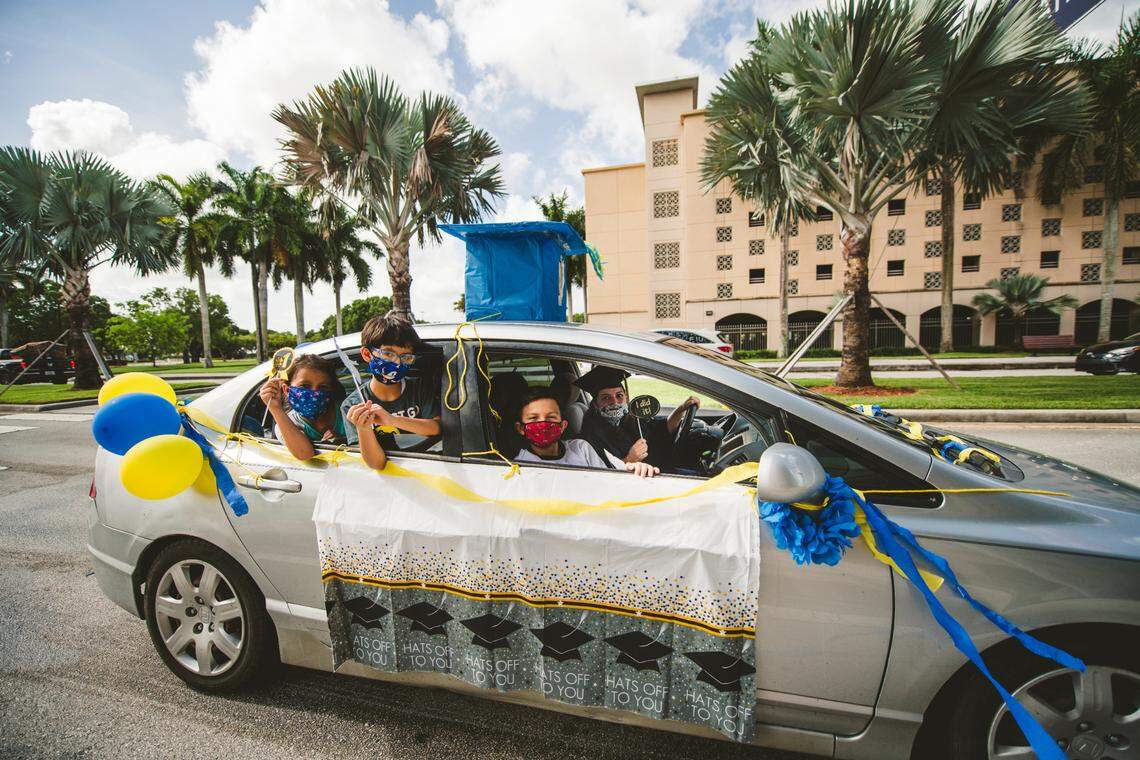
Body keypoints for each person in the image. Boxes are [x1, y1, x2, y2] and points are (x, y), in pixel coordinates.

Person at [340, 314, 441, 470]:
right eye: (388, 353)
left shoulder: (419, 388)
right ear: (367, 354)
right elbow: (376, 463)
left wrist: (391, 420)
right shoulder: (354, 406)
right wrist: (363, 428)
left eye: (405, 357)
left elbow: (436, 427)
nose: (397, 362)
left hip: (431, 469)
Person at [575, 365, 699, 473]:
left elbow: (664, 427)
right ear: (596, 404)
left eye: (619, 396)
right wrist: (629, 459)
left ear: (626, 397)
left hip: (658, 470)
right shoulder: (591, 434)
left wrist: (682, 408)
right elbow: (602, 472)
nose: (614, 402)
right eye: (606, 398)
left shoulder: (633, 418)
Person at [514, 388, 659, 477]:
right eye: (533, 418)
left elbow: (608, 479)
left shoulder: (581, 448)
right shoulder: (518, 468)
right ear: (520, 428)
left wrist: (632, 468)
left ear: (563, 425)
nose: (543, 424)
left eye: (551, 417)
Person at [260, 354, 347, 460]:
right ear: (286, 390)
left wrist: (343, 440)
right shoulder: (287, 423)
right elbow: (305, 454)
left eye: (322, 387)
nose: (314, 393)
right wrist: (275, 408)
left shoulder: (347, 411)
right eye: (304, 386)